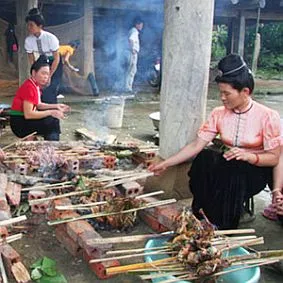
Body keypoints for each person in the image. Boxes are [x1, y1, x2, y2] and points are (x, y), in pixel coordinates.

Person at [149, 54, 281, 229]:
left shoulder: (267, 116)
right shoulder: (219, 113)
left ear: (245, 92)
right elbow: (196, 145)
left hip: (253, 172)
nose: (222, 98)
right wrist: (166, 163)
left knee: (232, 171)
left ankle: (223, 225)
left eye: (227, 93)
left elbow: (274, 158)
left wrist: (248, 156)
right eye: (221, 93)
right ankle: (200, 213)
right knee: (205, 157)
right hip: (230, 167)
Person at [9, 59, 70, 141]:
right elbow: (29, 114)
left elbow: (38, 105)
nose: (46, 77)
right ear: (34, 73)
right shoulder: (29, 87)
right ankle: (51, 147)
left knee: (52, 120)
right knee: (52, 122)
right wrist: (51, 112)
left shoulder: (35, 85)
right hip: (19, 124)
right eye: (43, 73)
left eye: (47, 74)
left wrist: (56, 106)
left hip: (24, 119)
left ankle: (49, 146)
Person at [24, 8, 60, 104]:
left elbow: (57, 58)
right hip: (41, 63)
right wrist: (34, 72)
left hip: (54, 63)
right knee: (39, 88)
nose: (29, 27)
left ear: (40, 26)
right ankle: (40, 111)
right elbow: (31, 59)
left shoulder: (51, 38)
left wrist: (49, 75)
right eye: (28, 25)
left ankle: (52, 112)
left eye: (31, 25)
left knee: (50, 87)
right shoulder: (28, 40)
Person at [125, 18, 144, 93]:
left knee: (130, 70)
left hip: (130, 53)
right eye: (141, 25)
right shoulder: (134, 31)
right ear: (137, 25)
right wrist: (132, 49)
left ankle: (127, 87)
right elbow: (131, 40)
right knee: (131, 70)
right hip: (132, 53)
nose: (142, 27)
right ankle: (128, 88)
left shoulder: (132, 30)